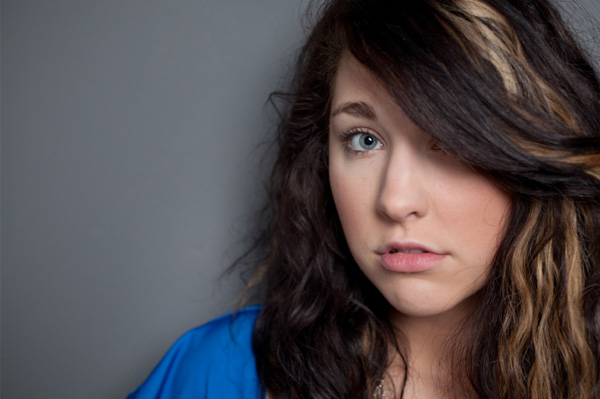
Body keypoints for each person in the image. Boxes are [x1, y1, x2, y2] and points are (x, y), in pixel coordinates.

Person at [127, 0, 600, 398]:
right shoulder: (220, 373)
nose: (394, 201)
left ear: (536, 154)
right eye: (364, 140)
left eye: (450, 142)